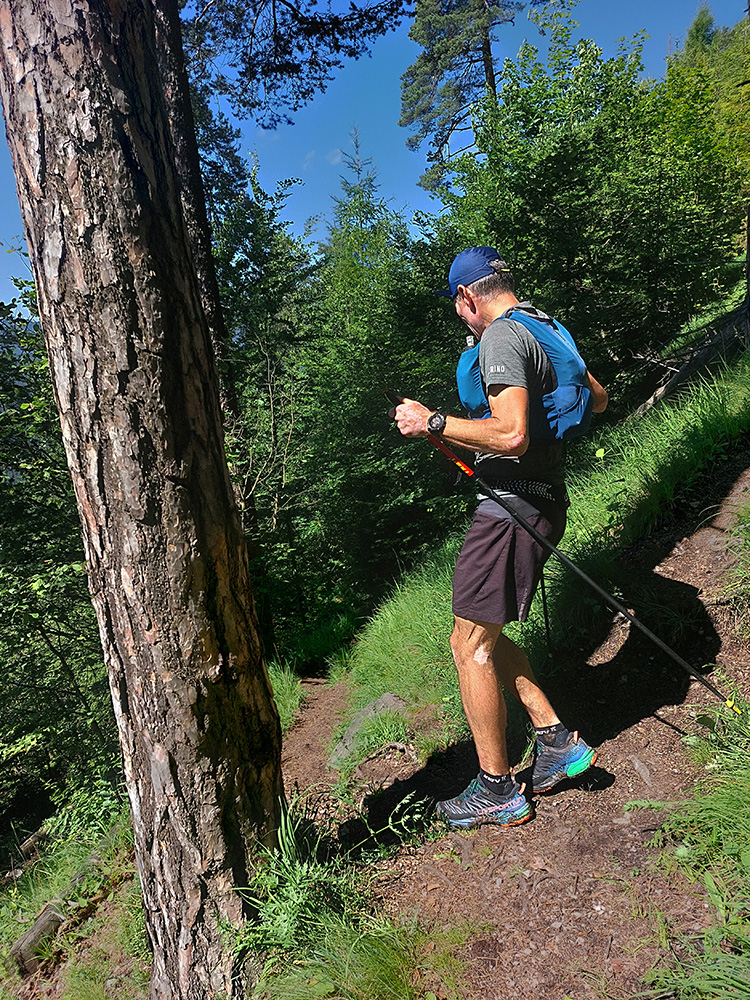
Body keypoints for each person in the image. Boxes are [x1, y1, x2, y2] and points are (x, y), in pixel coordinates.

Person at [392, 247, 608, 829]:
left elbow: (510, 435)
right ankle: (555, 739)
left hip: (512, 509)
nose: (459, 317)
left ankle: (497, 789)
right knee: (481, 631)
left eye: (456, 305)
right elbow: (598, 396)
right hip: (541, 500)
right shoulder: (546, 326)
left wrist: (433, 422)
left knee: (469, 646)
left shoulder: (500, 338)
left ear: (467, 297)